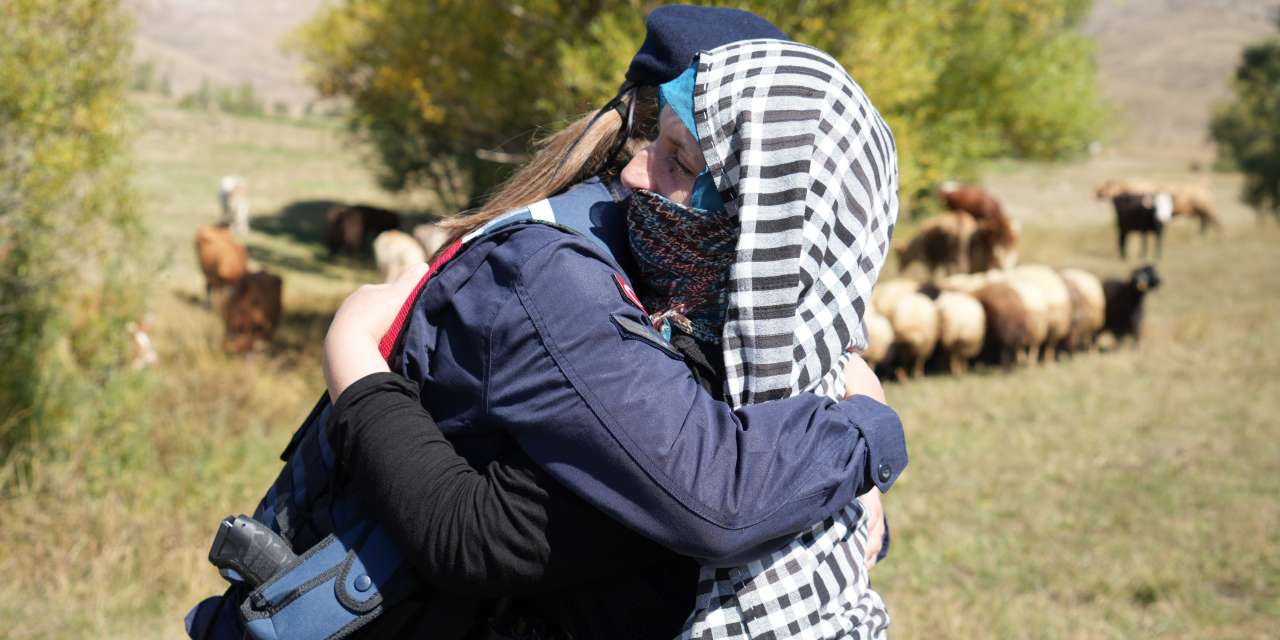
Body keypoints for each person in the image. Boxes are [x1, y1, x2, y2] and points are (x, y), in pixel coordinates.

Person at [187, 7, 904, 640]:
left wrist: (847, 465)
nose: (634, 177)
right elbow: (709, 499)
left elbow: (531, 525)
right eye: (658, 142)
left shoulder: (717, 321)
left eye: (681, 160)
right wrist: (869, 432)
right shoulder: (557, 278)